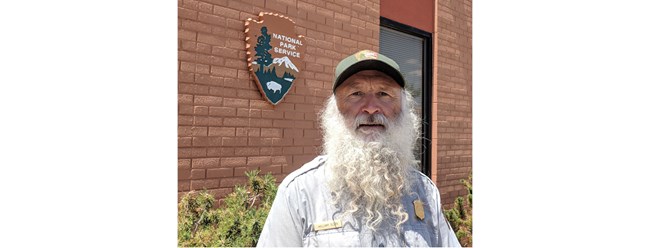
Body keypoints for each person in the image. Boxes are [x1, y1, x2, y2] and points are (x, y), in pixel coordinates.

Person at [257, 50, 461, 247]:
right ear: (335, 108)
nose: (371, 107)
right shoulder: (299, 193)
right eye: (356, 93)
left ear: (403, 106)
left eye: (384, 93)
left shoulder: (425, 192)